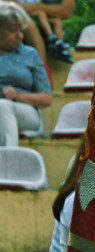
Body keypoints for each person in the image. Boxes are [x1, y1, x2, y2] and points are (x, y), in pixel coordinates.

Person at [0, 2, 50, 147]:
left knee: (2, 107)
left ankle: (7, 165)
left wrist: (18, 96)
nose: (19, 36)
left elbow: (46, 99)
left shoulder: (30, 55)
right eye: (12, 31)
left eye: (21, 31)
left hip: (26, 111)